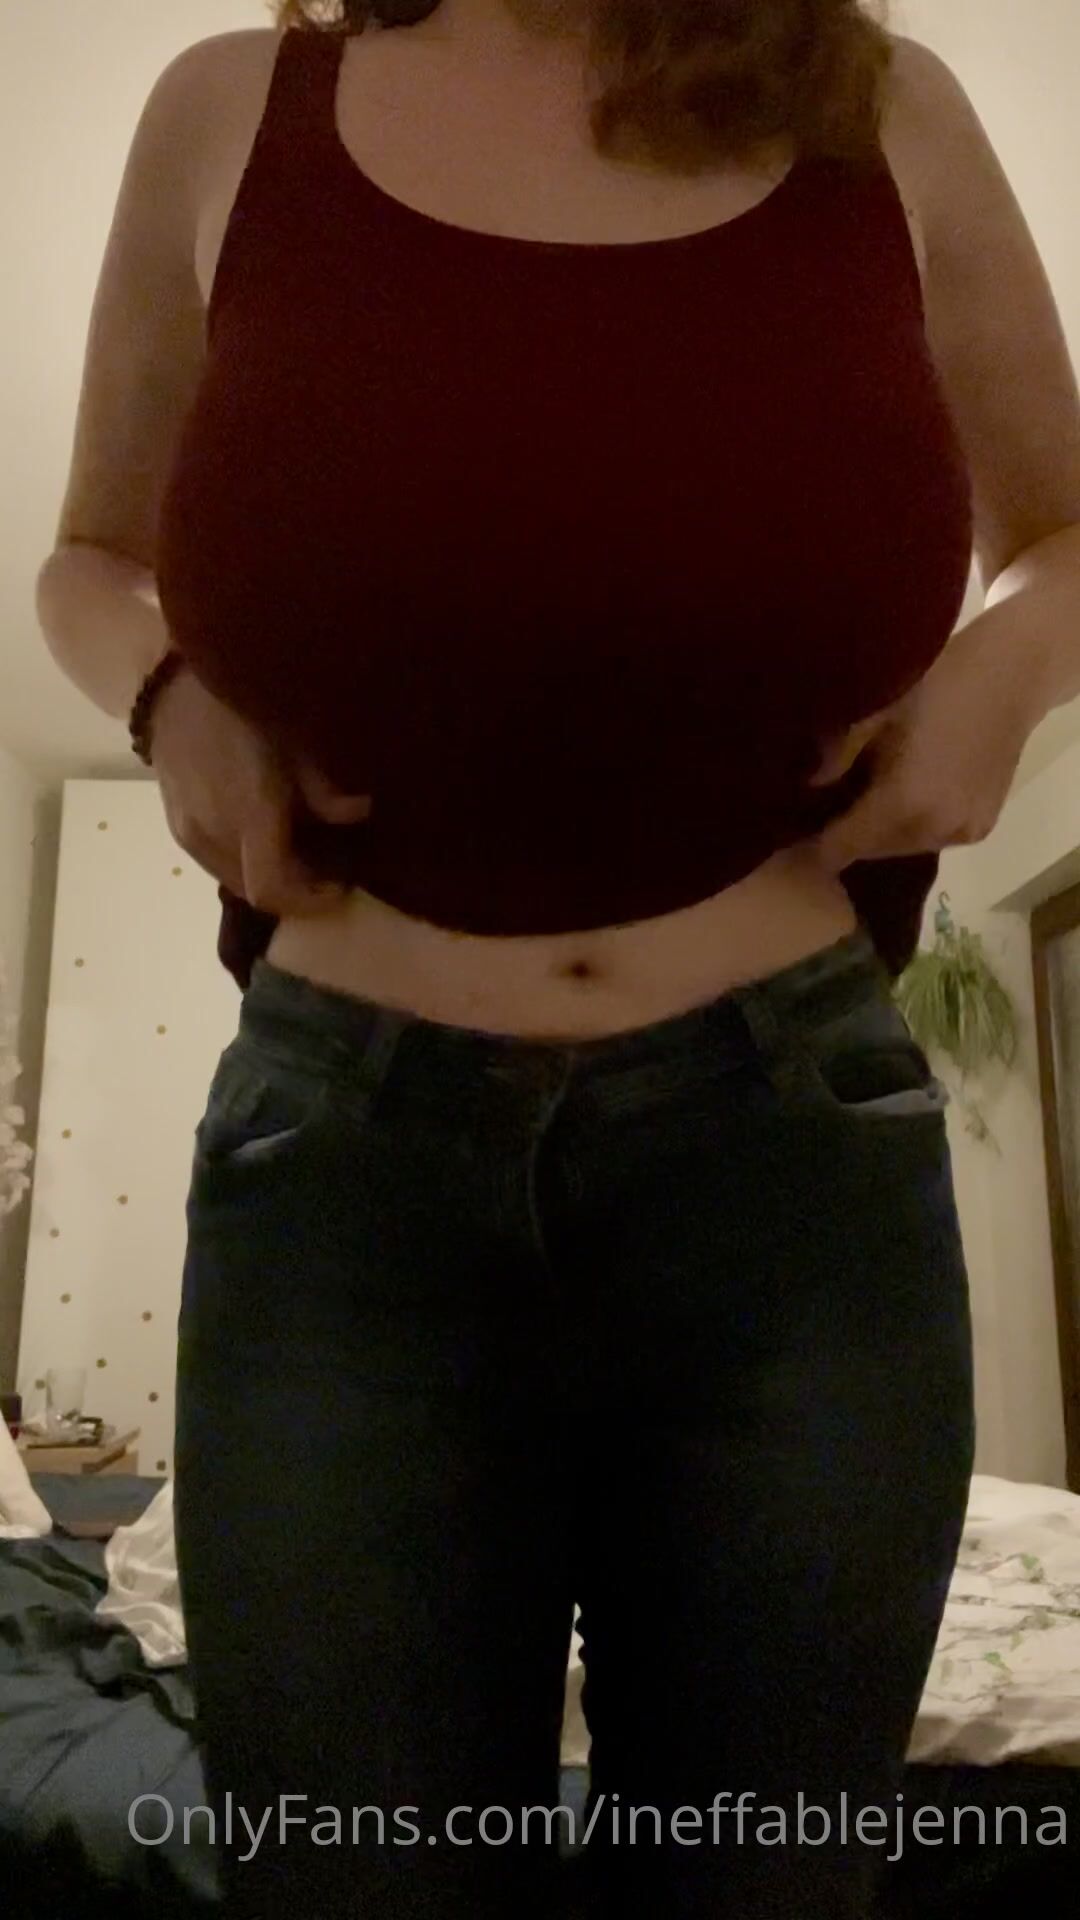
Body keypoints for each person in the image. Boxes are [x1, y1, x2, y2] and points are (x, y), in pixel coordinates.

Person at [37, 2, 1080, 1914]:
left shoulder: (883, 109)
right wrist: (169, 697)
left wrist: (1002, 673)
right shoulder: (228, 111)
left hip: (791, 1168)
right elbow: (88, 561)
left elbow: (1067, 535)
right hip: (344, 1179)